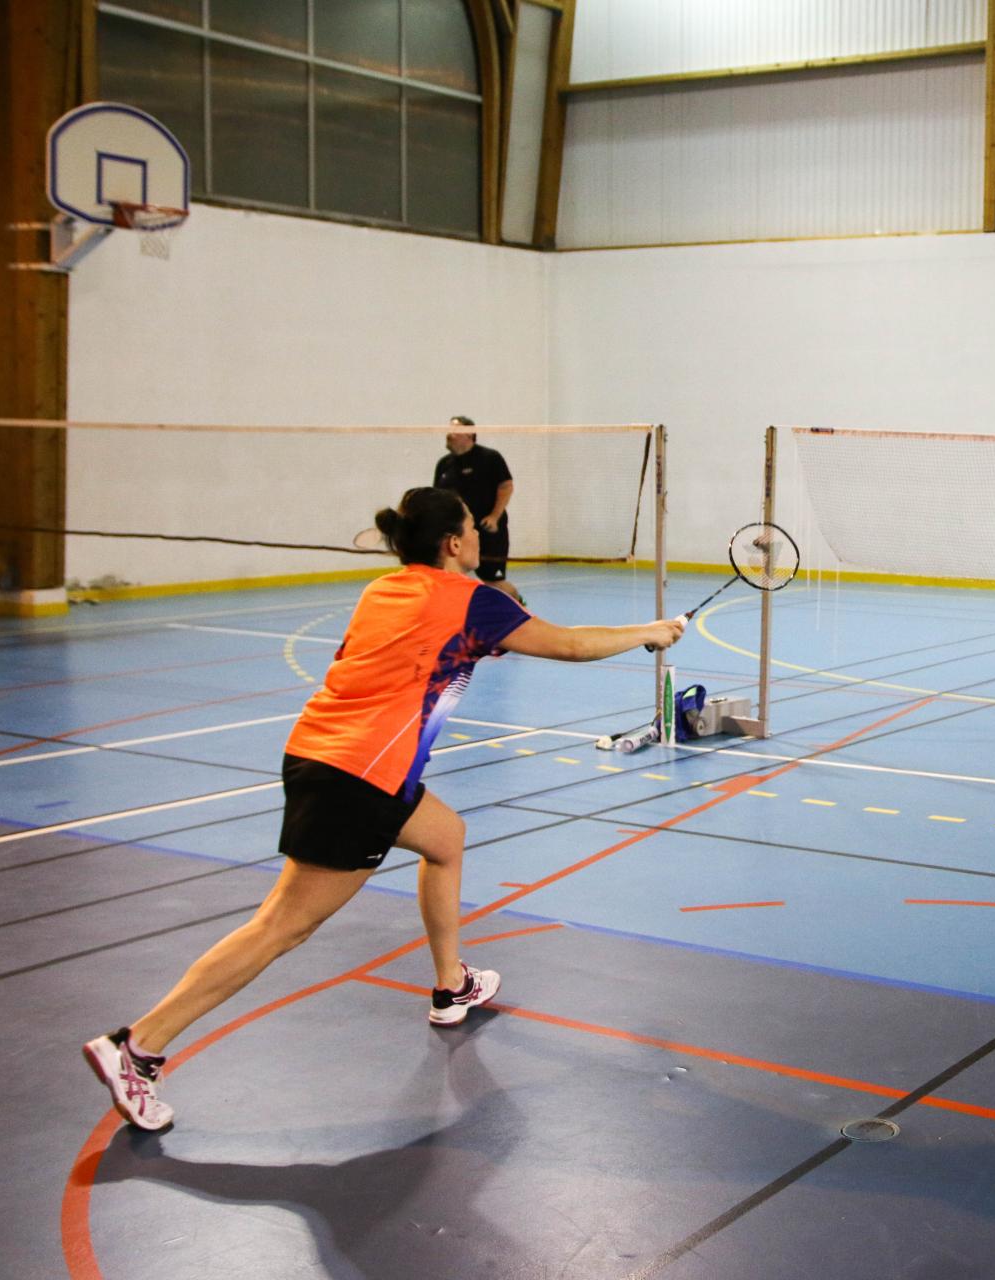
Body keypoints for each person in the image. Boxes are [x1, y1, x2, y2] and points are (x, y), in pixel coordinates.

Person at [83, 487, 684, 1131]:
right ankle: (138, 1046)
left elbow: (414, 650)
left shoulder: (385, 590)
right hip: (360, 777)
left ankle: (451, 984)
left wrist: (492, 629)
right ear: (453, 543)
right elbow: (567, 645)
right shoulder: (471, 600)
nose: (479, 535)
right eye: (471, 528)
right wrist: (650, 632)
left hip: (324, 755)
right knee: (281, 926)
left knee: (445, 838)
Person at [434, 416, 521, 603]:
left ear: (469, 435)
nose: (449, 434)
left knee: (494, 582)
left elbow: (506, 486)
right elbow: (438, 499)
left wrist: (494, 517)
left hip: (487, 532)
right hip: (456, 535)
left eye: (455, 431)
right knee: (449, 579)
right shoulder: (444, 464)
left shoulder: (490, 458)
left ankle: (520, 609)